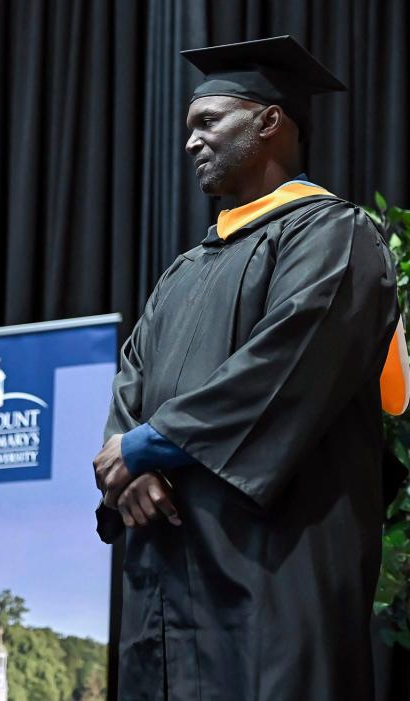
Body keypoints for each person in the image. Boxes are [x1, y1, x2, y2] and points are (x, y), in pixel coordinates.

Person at [92, 36, 408, 700]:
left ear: (268, 121)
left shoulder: (337, 236)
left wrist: (152, 444)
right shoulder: (183, 270)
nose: (190, 142)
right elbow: (131, 379)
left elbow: (287, 368)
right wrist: (127, 469)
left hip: (271, 567)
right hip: (166, 576)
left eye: (208, 121)